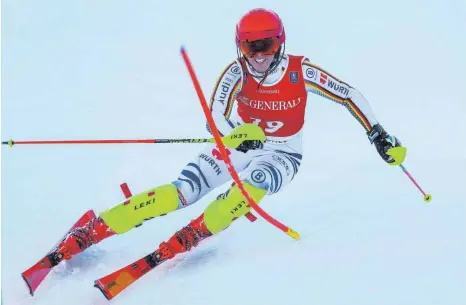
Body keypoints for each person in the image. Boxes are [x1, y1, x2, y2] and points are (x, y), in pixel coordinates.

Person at [53, 8, 406, 264]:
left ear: (279, 42)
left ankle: (196, 232)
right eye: (251, 47)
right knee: (182, 191)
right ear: (240, 46)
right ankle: (93, 231)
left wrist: (377, 133)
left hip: (282, 153)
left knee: (253, 184)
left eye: (266, 45)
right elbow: (214, 116)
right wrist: (236, 134)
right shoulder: (236, 71)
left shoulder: (301, 70)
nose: (259, 57)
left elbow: (347, 93)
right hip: (238, 144)